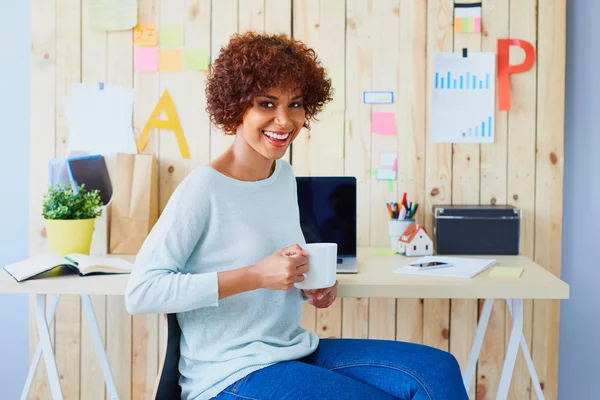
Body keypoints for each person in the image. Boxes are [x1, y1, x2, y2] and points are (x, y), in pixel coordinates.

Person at [125, 32, 468, 400]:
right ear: (235, 106)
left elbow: (276, 272)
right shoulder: (204, 188)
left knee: (438, 370)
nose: (284, 120)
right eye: (267, 104)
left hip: (291, 349)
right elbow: (142, 292)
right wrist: (256, 275)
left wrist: (310, 288)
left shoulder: (282, 175)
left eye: (296, 104)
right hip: (229, 374)